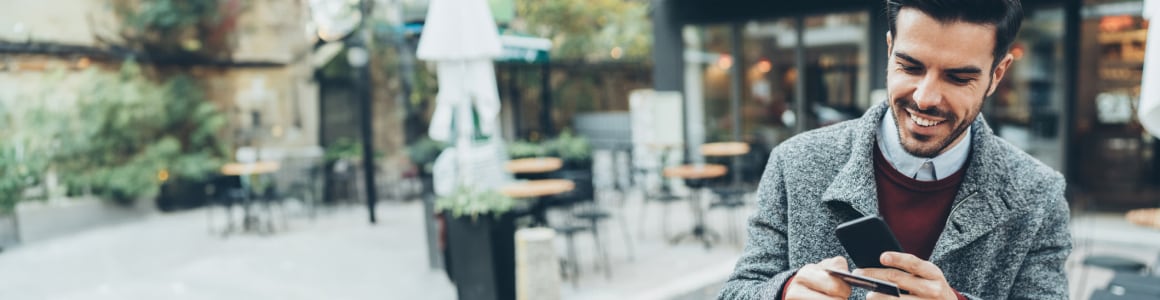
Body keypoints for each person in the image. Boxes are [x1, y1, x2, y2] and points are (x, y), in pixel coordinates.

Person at [717, 0, 1071, 299]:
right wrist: (785, 291)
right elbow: (739, 289)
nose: (925, 98)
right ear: (889, 51)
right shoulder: (794, 162)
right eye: (910, 67)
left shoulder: (1039, 194)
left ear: (997, 75)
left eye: (959, 78)